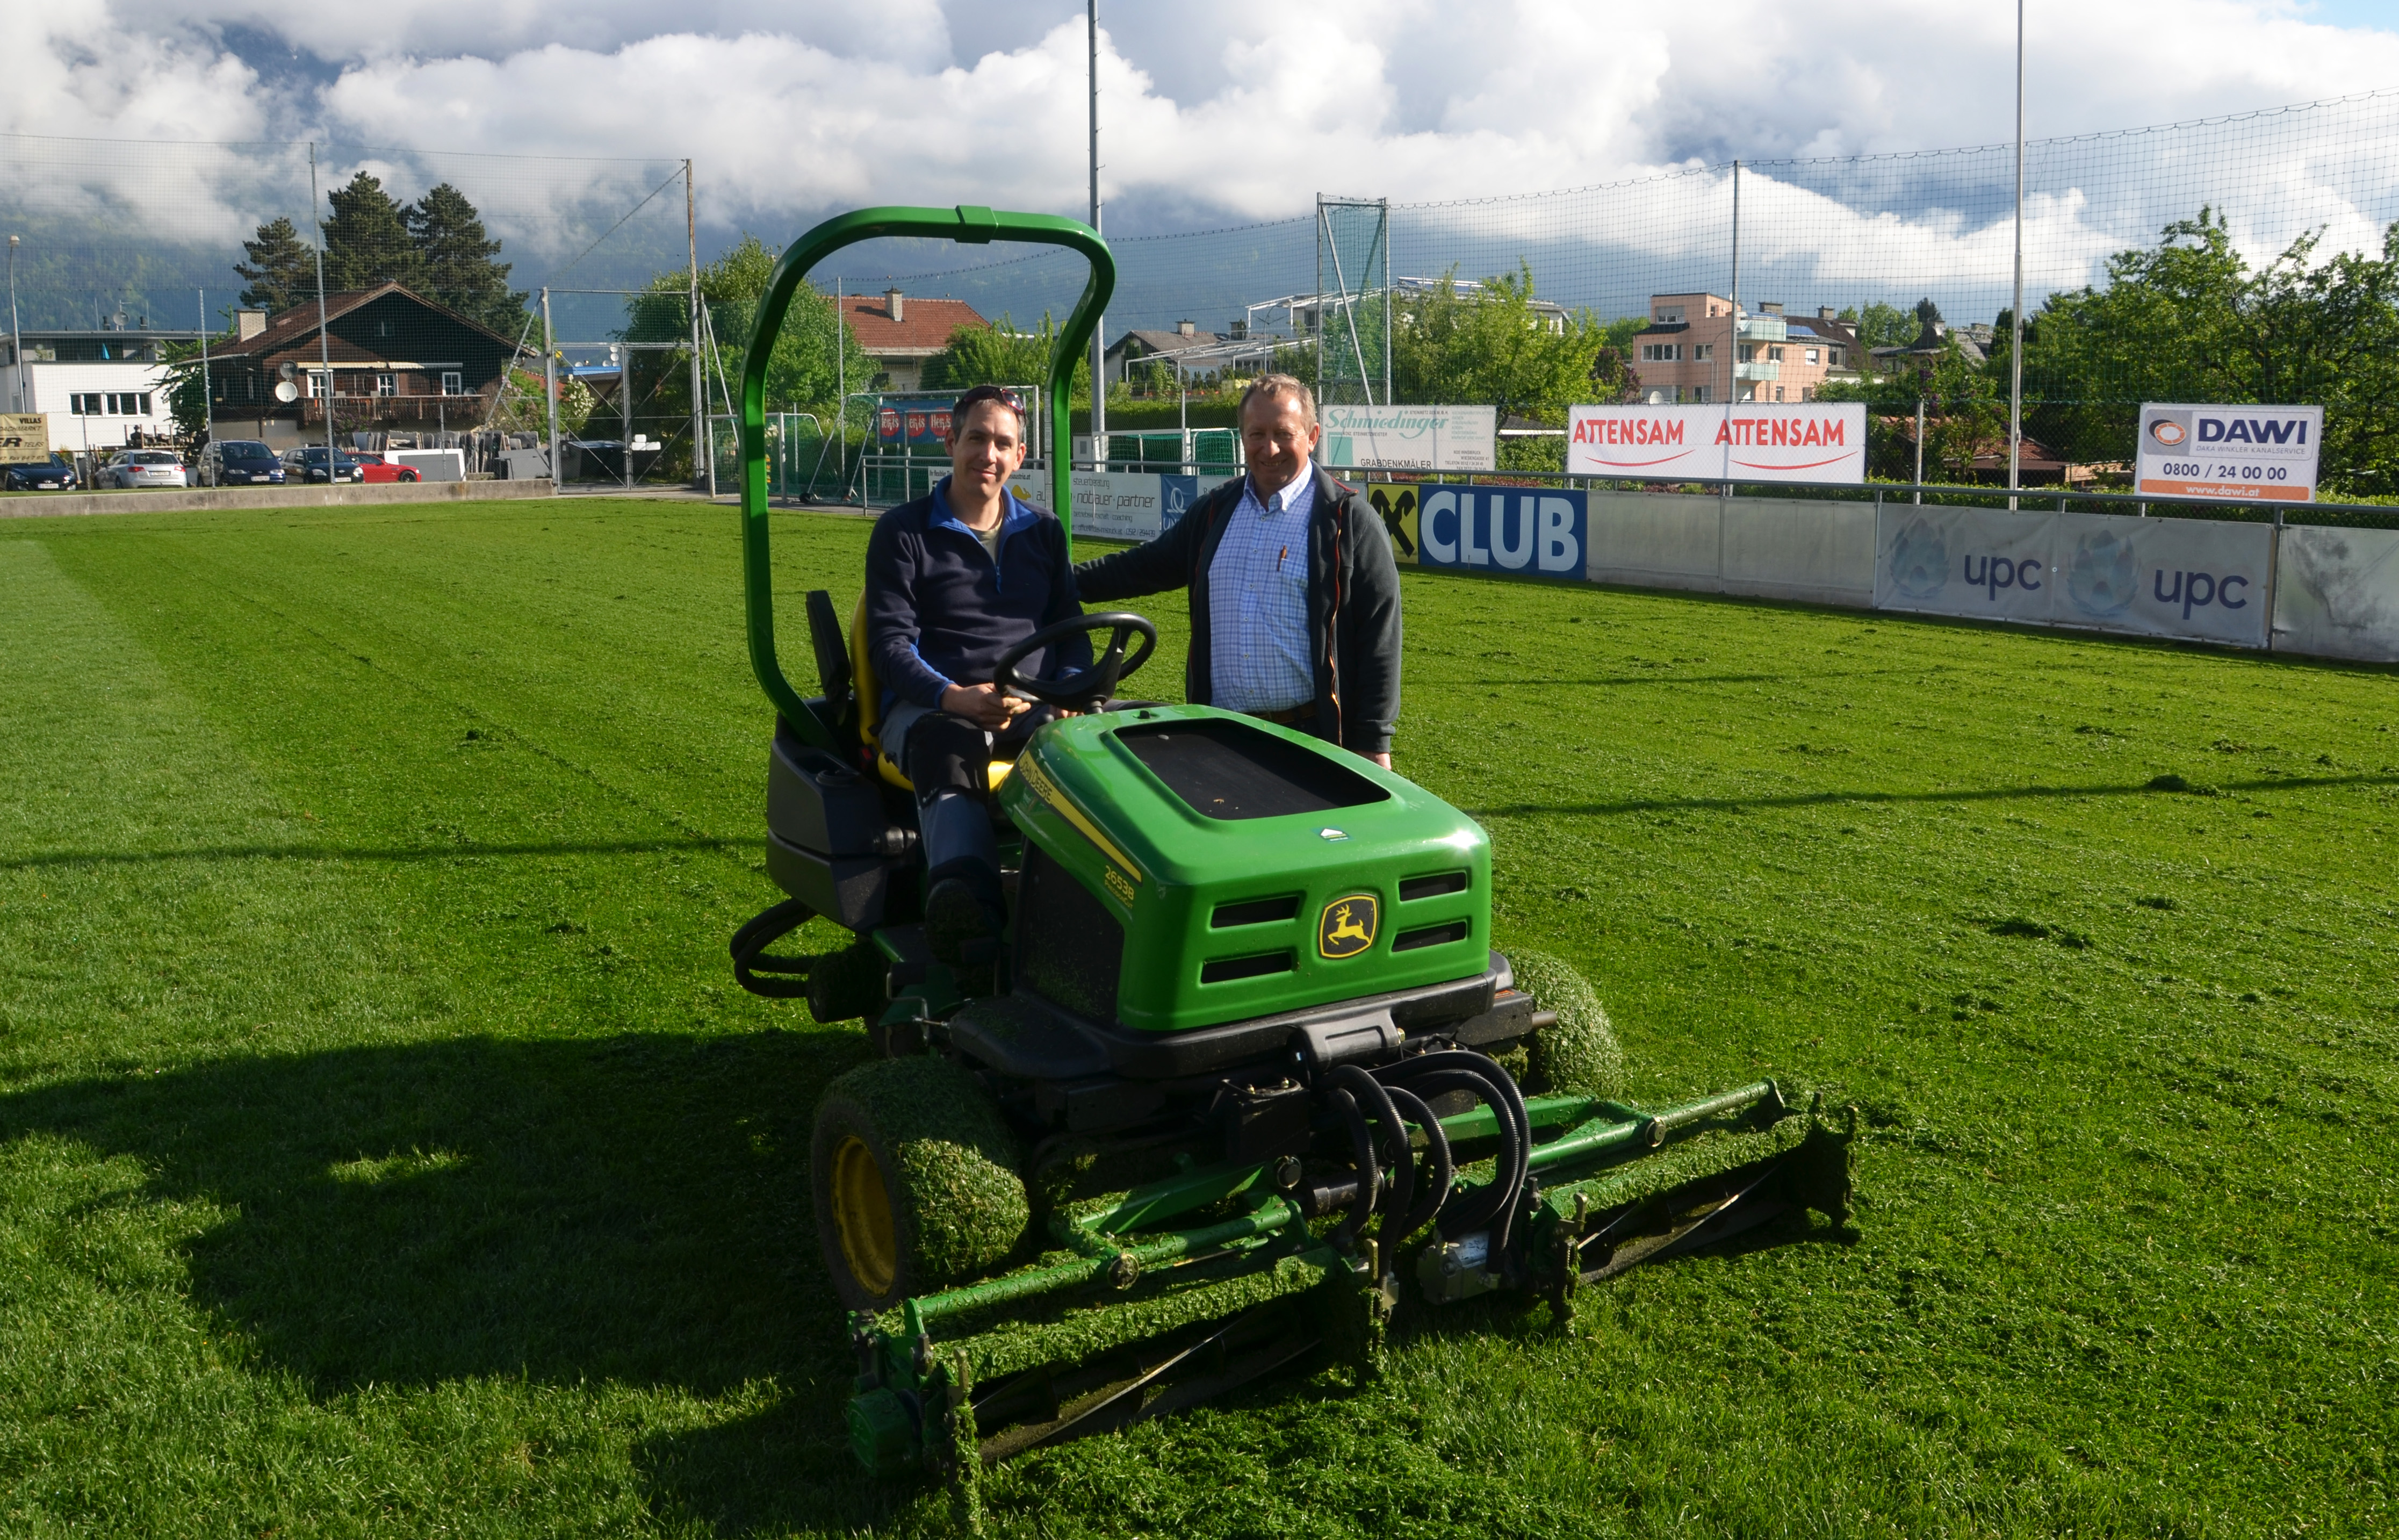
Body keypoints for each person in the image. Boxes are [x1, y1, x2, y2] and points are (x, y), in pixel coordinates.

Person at [862, 383, 1087, 960]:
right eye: (977, 439)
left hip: (1030, 702)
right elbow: (888, 647)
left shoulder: (1043, 532)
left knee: (1110, 742)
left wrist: (1067, 692)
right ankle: (966, 905)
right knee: (949, 742)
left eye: (1002, 443)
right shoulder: (904, 533)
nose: (988, 454)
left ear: (1019, 454)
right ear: (951, 442)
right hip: (933, 707)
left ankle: (1092, 901)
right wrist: (953, 697)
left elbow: (1070, 630)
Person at [1075, 373, 1401, 768]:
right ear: (1241, 437)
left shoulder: (1348, 520)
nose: (1270, 448)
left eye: (1284, 434)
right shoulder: (1214, 512)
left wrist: (1372, 740)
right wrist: (1058, 580)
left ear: (1312, 436)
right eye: (1257, 434)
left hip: (1312, 738)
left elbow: (1379, 639)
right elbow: (1140, 567)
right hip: (1219, 737)